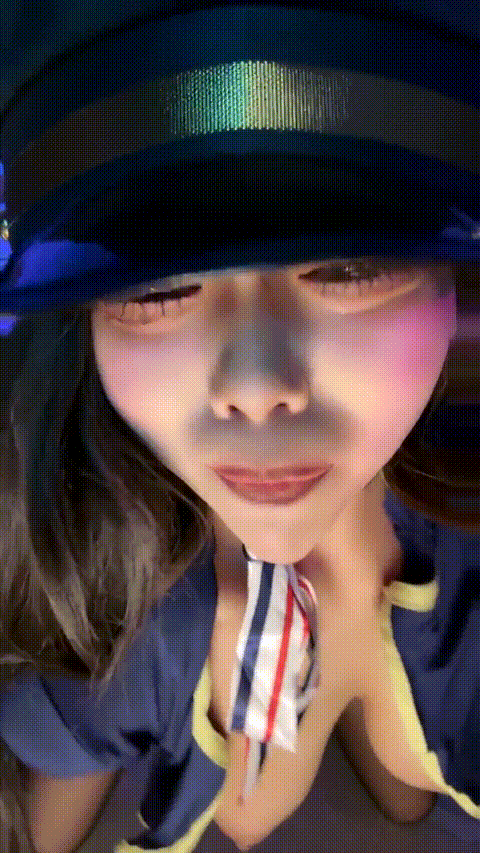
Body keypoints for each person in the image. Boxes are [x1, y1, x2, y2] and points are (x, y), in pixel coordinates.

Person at [0, 2, 478, 852]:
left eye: (352, 263)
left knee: (399, 793)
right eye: (155, 285)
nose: (255, 388)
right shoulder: (116, 609)